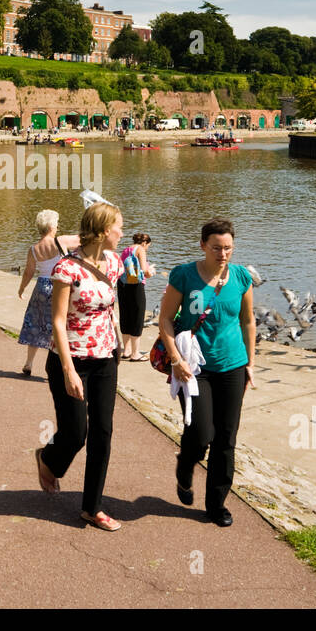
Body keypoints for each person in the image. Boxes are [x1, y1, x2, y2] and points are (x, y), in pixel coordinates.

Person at [158, 218, 255, 527]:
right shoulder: (185, 275)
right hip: (194, 368)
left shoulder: (241, 277)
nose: (222, 254)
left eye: (227, 248)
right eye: (216, 248)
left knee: (226, 438)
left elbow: (248, 321)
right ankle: (185, 466)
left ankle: (216, 505)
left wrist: (250, 363)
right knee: (201, 434)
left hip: (232, 367)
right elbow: (165, 319)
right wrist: (175, 359)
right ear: (202, 245)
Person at [34, 202, 125, 532]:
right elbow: (58, 322)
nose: (122, 232)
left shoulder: (114, 262)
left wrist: (118, 344)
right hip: (68, 360)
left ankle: (92, 507)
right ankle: (48, 459)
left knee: (103, 432)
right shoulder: (66, 270)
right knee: (76, 433)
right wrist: (70, 370)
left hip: (104, 359)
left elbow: (108, 306)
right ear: (103, 231)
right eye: (118, 227)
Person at [16, 210, 82, 377]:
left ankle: (29, 363)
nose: (58, 226)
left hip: (41, 287)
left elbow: (28, 272)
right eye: (57, 223)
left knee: (36, 324)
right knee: (60, 324)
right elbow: (82, 242)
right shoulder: (60, 242)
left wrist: (22, 288)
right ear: (52, 226)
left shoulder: (33, 249)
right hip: (58, 285)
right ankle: (63, 365)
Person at [117, 233, 155, 361]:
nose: (147, 248)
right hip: (135, 287)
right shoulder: (140, 250)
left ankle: (126, 351)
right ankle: (135, 353)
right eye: (148, 246)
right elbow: (144, 271)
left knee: (126, 315)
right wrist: (151, 272)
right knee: (137, 317)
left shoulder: (126, 249)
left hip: (122, 285)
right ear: (144, 243)